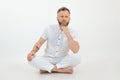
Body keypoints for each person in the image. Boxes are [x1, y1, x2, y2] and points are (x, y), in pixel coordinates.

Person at [27, 7, 81, 74]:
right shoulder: (49, 28)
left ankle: (47, 68)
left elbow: (75, 50)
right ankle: (61, 70)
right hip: (47, 58)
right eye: (61, 16)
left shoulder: (73, 32)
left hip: (63, 59)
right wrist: (33, 51)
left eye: (66, 16)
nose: (64, 18)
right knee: (31, 59)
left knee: (78, 57)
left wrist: (67, 33)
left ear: (69, 18)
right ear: (57, 18)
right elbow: (40, 42)